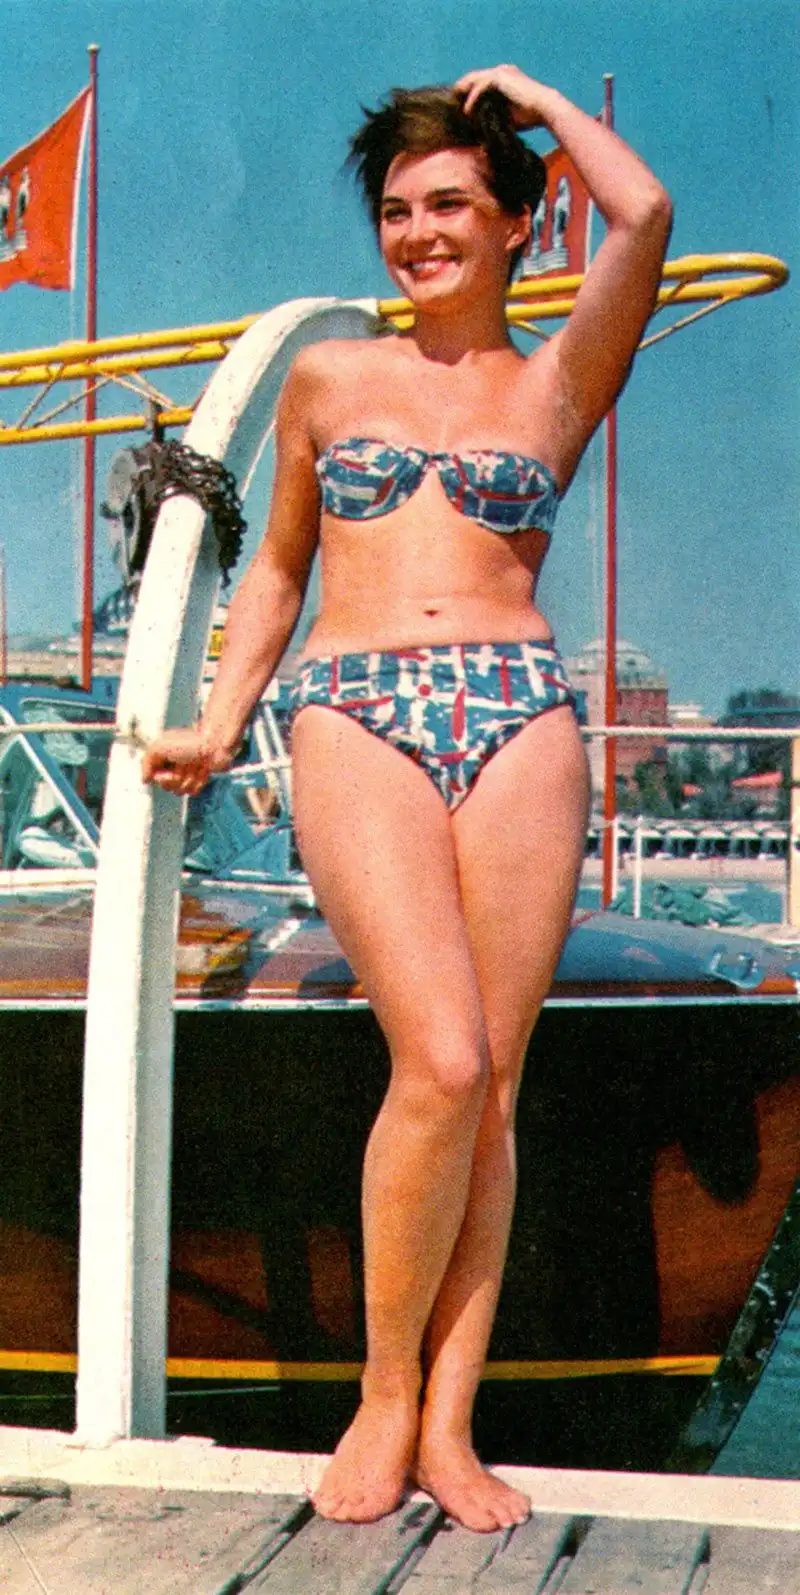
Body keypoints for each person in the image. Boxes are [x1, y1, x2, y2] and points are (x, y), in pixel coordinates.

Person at [142, 63, 672, 1532]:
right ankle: (382, 1394)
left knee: (494, 1085)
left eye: (449, 204)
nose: (418, 233)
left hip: (521, 713)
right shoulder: (330, 378)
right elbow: (278, 566)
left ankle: (450, 1422)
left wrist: (536, 97)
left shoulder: (560, 379)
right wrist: (221, 718)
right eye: (395, 210)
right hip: (357, 705)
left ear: (516, 224)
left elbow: (643, 211)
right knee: (437, 1059)